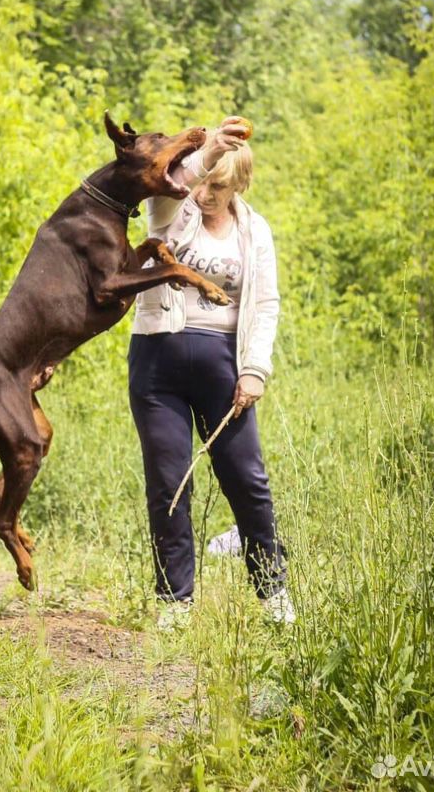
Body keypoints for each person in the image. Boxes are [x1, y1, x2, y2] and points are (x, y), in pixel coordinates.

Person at [128, 116, 295, 626]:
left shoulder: (255, 230)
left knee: (247, 480)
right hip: (158, 362)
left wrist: (254, 371)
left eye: (217, 186)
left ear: (240, 185)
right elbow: (179, 188)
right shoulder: (171, 207)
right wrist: (208, 152)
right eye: (201, 180)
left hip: (225, 365)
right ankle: (174, 603)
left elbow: (264, 305)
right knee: (169, 482)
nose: (204, 193)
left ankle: (273, 594)